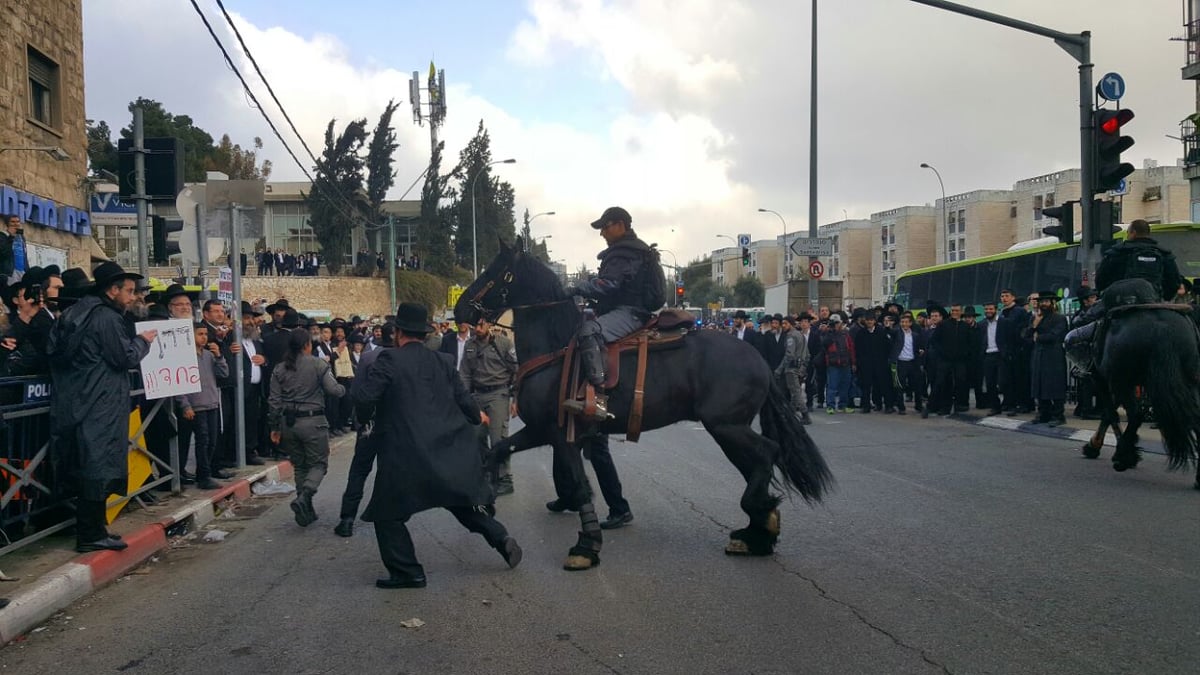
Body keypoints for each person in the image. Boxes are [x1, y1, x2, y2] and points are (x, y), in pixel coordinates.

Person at [353, 303, 522, 589]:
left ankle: (408, 572)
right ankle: (500, 537)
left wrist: (366, 420)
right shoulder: (443, 361)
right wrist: (476, 419)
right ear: (424, 333)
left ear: (398, 333)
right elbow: (467, 403)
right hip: (445, 450)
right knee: (459, 502)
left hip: (404, 454)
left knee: (387, 514)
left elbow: (365, 398)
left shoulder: (389, 360)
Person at [48, 262, 156, 552]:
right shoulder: (105, 318)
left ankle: (95, 529)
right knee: (98, 465)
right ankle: (90, 533)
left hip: (78, 398)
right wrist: (142, 342)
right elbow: (124, 357)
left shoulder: (77, 312)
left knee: (89, 464)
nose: (133, 297)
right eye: (129, 291)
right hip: (101, 401)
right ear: (112, 290)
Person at [564, 206, 659, 420]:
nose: (602, 233)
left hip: (630, 312)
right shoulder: (627, 250)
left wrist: (578, 287)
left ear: (620, 225)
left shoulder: (626, 252)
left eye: (605, 227)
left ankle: (598, 396)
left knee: (588, 330)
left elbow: (609, 285)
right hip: (623, 309)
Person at [1066, 219, 1184, 353]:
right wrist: (1160, 299)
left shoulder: (1117, 252)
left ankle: (1088, 369)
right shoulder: (1165, 254)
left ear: (1132, 233)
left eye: (1128, 232)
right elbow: (1174, 283)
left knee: (1078, 330)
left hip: (1119, 304)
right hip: (1155, 302)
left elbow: (1101, 281)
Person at [268, 328, 346, 527]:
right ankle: (305, 497)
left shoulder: (279, 368)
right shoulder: (318, 364)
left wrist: (275, 427)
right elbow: (333, 390)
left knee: (300, 465)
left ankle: (305, 510)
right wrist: (343, 388)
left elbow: (274, 401)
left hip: (288, 423)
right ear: (307, 345)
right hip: (313, 422)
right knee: (319, 464)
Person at [336, 323, 395, 537]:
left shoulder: (369, 358)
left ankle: (347, 518)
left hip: (370, 424)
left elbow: (358, 392)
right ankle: (389, 517)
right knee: (390, 472)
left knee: (359, 471)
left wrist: (360, 423)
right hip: (394, 426)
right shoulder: (404, 360)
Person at [459, 315, 519, 495]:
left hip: (498, 394)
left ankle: (504, 478)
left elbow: (516, 371)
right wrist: (465, 399)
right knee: (477, 437)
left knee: (498, 438)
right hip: (477, 395)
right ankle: (486, 474)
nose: (477, 328)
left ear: (490, 324)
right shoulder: (470, 345)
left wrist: (516, 399)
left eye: (480, 324)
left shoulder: (503, 344)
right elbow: (465, 374)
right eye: (475, 325)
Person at [178, 323, 230, 490]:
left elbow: (224, 374)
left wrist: (219, 356)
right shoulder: (184, 356)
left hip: (212, 403)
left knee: (212, 441)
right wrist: (185, 405)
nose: (204, 337)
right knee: (203, 441)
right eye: (199, 334)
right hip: (196, 405)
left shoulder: (208, 355)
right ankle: (204, 476)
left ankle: (204, 472)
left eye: (205, 334)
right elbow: (178, 383)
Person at [1026, 291, 1069, 426]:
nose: (1044, 304)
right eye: (1042, 302)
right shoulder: (1035, 318)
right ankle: (1043, 413)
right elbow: (1026, 335)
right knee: (1039, 385)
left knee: (1055, 385)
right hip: (1038, 355)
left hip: (1054, 356)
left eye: (1046, 301)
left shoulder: (1059, 318)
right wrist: (1035, 325)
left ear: (1052, 303)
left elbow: (1055, 335)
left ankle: (1058, 415)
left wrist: (1038, 337)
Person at [777, 315, 812, 423]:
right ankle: (791, 414)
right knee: (794, 391)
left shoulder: (791, 336)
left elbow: (789, 355)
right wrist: (803, 367)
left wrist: (779, 369)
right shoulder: (800, 335)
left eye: (785, 323)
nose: (783, 326)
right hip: (800, 367)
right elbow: (807, 354)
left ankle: (805, 414)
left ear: (791, 324)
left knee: (795, 391)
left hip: (791, 368)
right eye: (782, 323)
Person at [821, 314, 855, 413]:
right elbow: (824, 344)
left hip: (846, 363)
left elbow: (851, 349)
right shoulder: (827, 334)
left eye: (837, 323)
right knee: (832, 386)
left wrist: (853, 363)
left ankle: (843, 405)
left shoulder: (846, 334)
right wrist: (830, 331)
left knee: (845, 385)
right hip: (833, 364)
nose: (836, 325)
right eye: (834, 323)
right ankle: (830, 406)